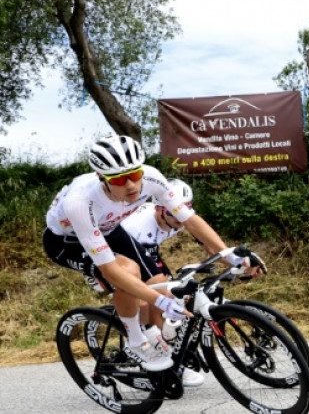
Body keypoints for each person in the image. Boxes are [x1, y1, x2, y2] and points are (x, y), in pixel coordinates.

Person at [43, 134, 256, 372]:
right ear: (102, 177)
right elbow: (111, 270)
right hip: (66, 241)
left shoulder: (153, 177)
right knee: (129, 272)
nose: (130, 185)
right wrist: (161, 302)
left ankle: (160, 344)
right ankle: (136, 341)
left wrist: (228, 253)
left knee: (159, 282)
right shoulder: (81, 201)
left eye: (134, 175)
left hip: (110, 229)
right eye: (120, 179)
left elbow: (190, 219)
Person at [120, 178, 264, 385]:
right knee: (151, 299)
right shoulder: (139, 226)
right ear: (160, 210)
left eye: (185, 209)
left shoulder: (178, 216)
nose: (180, 217)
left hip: (147, 252)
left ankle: (173, 345)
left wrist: (239, 263)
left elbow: (212, 248)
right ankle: (154, 348)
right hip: (116, 255)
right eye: (174, 212)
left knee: (177, 293)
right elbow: (128, 272)